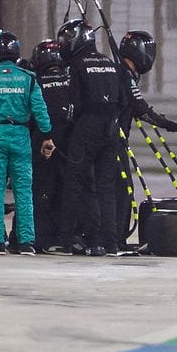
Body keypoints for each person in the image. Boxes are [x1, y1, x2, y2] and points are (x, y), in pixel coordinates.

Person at [0, 29, 54, 256]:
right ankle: (26, 242)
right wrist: (47, 136)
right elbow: (40, 109)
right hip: (21, 136)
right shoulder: (28, 78)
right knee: (24, 190)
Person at [114, 30, 177, 251]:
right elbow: (142, 110)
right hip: (112, 143)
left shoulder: (121, 72)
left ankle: (112, 238)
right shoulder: (124, 75)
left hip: (109, 141)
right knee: (122, 191)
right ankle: (115, 239)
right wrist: (172, 125)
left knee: (119, 190)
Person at [54, 19, 124, 257]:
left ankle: (65, 242)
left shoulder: (77, 65)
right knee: (106, 188)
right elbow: (123, 100)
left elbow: (73, 104)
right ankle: (110, 244)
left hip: (86, 127)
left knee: (74, 184)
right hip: (111, 128)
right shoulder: (111, 63)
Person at [28, 39, 73, 254]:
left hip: (42, 143)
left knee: (40, 190)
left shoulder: (34, 82)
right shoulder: (69, 81)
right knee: (66, 190)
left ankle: (36, 237)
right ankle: (65, 235)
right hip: (68, 145)